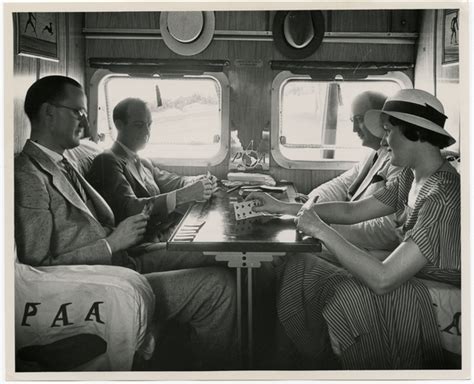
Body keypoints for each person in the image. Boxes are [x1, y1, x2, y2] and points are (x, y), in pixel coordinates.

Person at [14, 75, 236, 370]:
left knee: (223, 257)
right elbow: (35, 266)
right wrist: (111, 243)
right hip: (103, 282)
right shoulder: (28, 175)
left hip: (124, 260)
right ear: (48, 112)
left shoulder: (63, 163)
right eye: (78, 112)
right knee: (219, 287)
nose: (86, 122)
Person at [248, 89, 459, 369]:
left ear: (415, 133)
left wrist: (321, 230)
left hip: (438, 285)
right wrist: (282, 208)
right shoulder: (413, 175)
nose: (383, 140)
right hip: (410, 272)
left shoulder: (443, 195)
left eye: (388, 131)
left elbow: (384, 279)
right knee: (299, 263)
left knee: (344, 293)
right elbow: (353, 211)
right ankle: (295, 362)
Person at [87, 98, 222, 271]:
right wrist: (182, 196)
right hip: (140, 248)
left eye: (149, 125)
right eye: (139, 125)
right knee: (218, 251)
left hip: (166, 233)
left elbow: (173, 181)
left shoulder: (141, 161)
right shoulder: (107, 161)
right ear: (119, 125)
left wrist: (199, 181)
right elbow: (129, 208)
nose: (147, 132)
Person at [300, 91, 403, 252]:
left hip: (371, 250)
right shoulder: (375, 154)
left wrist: (323, 227)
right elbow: (341, 185)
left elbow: (387, 233)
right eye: (352, 121)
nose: (355, 129)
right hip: (351, 240)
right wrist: (308, 202)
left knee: (294, 257)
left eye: (359, 120)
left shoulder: (400, 164)